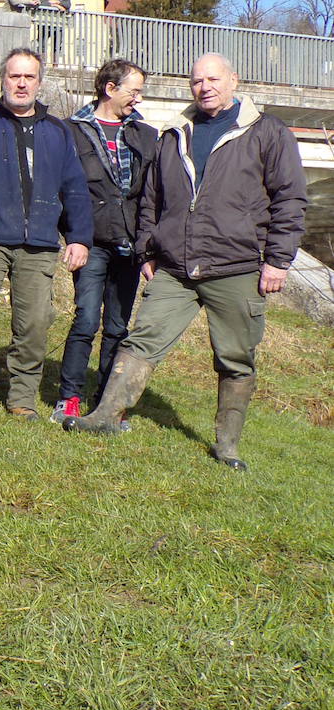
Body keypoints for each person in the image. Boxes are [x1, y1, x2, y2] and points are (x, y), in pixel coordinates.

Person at [66, 54, 307, 470]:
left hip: (236, 266)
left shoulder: (267, 132)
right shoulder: (176, 132)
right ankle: (106, 416)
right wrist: (147, 248)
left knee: (235, 358)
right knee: (141, 341)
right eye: (197, 81)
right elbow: (152, 198)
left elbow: (290, 198)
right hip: (176, 267)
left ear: (234, 80)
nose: (205, 87)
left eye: (213, 79)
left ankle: (227, 446)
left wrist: (278, 260)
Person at [0, 47, 92, 420]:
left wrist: (78, 237)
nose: (21, 84)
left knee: (35, 323)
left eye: (28, 77)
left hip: (39, 243)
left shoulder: (58, 131)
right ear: (3, 80)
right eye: (14, 76)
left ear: (39, 83)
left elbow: (74, 187)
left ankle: (22, 397)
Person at [52, 59, 157, 425]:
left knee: (117, 327)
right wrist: (72, 236)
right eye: (134, 91)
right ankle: (69, 397)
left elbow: (152, 194)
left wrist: (148, 246)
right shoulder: (71, 131)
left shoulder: (147, 135)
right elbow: (63, 189)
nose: (138, 99)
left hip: (130, 245)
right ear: (110, 89)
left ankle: (107, 404)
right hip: (90, 241)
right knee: (85, 319)